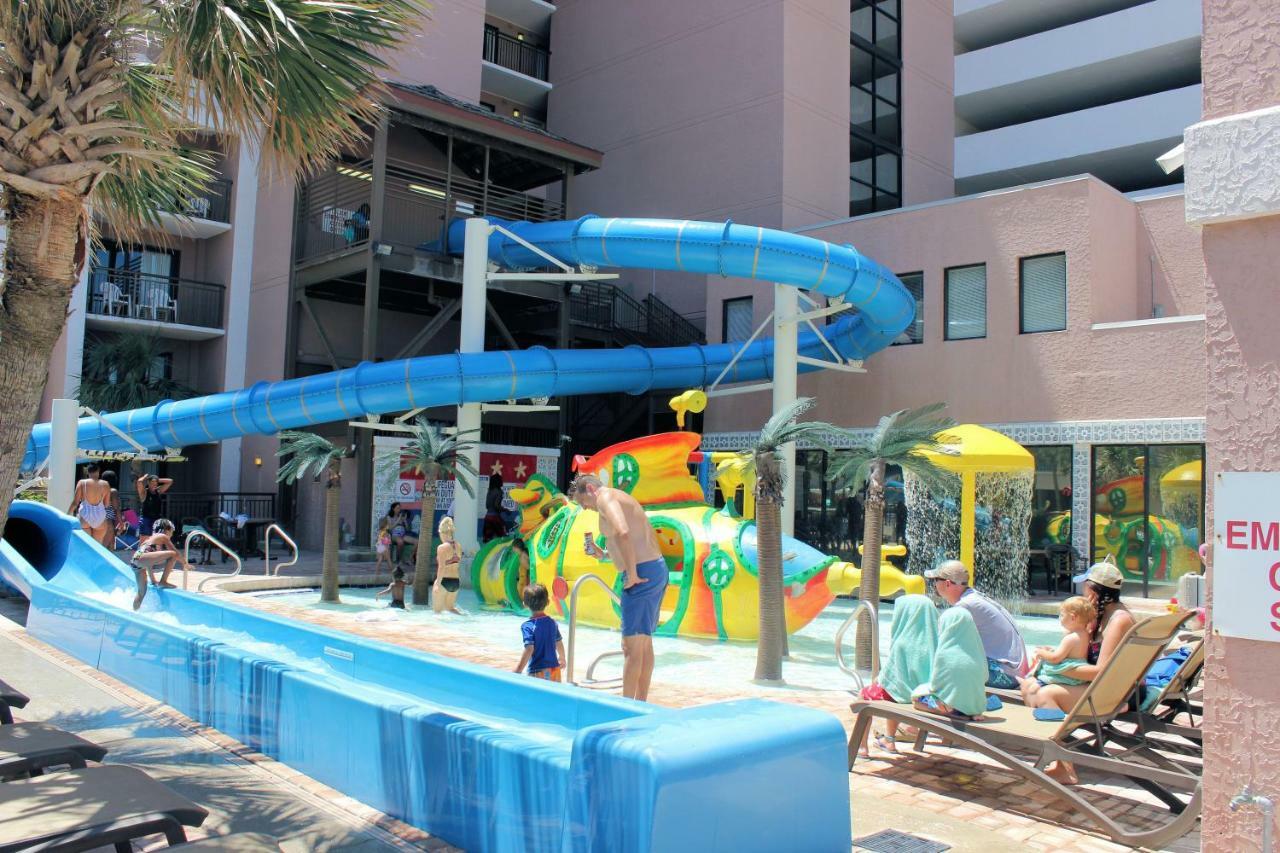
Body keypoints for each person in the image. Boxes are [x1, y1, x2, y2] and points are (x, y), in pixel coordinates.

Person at [1026, 558, 1134, 784]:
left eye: (1085, 586)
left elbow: (1101, 671)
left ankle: (1064, 766)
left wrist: (1057, 667)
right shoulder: (1105, 616)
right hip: (1104, 687)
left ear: (1094, 590)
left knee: (1045, 694)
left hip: (1112, 693)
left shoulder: (1118, 620)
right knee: (1031, 687)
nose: (1082, 591)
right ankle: (1056, 753)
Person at [569, 472, 667, 702]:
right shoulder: (618, 497)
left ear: (591, 489)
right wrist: (602, 554)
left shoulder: (605, 498)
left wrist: (632, 574)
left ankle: (625, 708)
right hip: (653, 569)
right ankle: (640, 703)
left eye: (583, 502)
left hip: (641, 573)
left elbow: (623, 532)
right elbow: (625, 538)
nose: (584, 508)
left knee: (631, 646)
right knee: (642, 642)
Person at [857, 594, 939, 757]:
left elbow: (892, 678)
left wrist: (878, 680)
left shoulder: (904, 642)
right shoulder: (935, 640)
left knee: (866, 694)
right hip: (927, 699)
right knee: (893, 690)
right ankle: (889, 739)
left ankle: (862, 747)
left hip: (905, 696)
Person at [924, 560, 1028, 689]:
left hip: (1005, 674)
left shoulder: (965, 606)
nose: (933, 584)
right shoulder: (973, 598)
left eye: (935, 580)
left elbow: (942, 644)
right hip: (1015, 668)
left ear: (947, 583)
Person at [910, 607, 990, 720]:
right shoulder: (977, 651)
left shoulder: (945, 652)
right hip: (975, 707)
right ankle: (972, 712)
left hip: (951, 707)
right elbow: (985, 677)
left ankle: (947, 711)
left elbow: (935, 685)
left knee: (916, 698)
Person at [1019, 596, 1094, 705]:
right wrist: (1051, 650)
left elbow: (1055, 658)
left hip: (1065, 677)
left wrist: (1042, 653)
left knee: (1032, 687)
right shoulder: (1085, 634)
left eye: (1062, 615)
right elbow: (1069, 653)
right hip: (1076, 676)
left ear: (1073, 618)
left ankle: (1038, 689)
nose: (1060, 618)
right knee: (1031, 683)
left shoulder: (1071, 637)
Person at [514, 583, 565, 681]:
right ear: (548, 602)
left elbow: (529, 649)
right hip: (555, 669)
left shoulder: (528, 626)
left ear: (525, 604)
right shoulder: (552, 623)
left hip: (537, 671)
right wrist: (562, 658)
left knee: (535, 696)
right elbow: (558, 642)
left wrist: (518, 669)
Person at [130, 519, 183, 610]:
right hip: (140, 558)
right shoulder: (162, 536)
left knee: (141, 593)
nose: (172, 534)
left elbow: (148, 563)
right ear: (167, 529)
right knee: (173, 554)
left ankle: (134, 613)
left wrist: (153, 580)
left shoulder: (151, 539)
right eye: (171, 532)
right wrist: (185, 563)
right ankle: (163, 581)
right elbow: (175, 552)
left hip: (135, 561)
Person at [68, 463, 113, 544]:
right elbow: (106, 504)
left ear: (88, 472)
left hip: (85, 516)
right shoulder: (105, 484)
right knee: (97, 546)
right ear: (98, 471)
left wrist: (68, 514)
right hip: (100, 516)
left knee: (85, 545)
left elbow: (75, 502)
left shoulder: (82, 483)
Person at [433, 516, 464, 615]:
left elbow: (441, 567)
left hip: (444, 581)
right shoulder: (458, 546)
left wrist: (437, 584)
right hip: (456, 581)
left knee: (437, 612)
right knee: (450, 608)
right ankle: (465, 619)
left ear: (442, 533)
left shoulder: (442, 547)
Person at [135, 473, 173, 539]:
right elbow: (139, 482)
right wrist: (145, 477)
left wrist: (156, 479)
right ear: (148, 483)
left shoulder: (158, 490)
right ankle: (141, 549)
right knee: (144, 541)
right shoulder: (144, 492)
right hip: (146, 519)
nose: (154, 485)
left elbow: (170, 481)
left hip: (157, 519)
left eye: (156, 484)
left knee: (157, 540)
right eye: (152, 483)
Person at [100, 470, 124, 551]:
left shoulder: (98, 489)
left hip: (97, 520)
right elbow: (116, 508)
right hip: (108, 520)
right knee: (108, 546)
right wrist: (121, 523)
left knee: (102, 545)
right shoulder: (112, 491)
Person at [483, 474, 506, 542]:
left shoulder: (489, 491)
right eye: (501, 480)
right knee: (501, 539)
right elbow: (496, 506)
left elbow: (487, 506)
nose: (502, 482)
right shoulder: (499, 491)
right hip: (495, 518)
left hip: (487, 517)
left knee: (487, 540)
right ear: (498, 481)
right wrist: (505, 510)